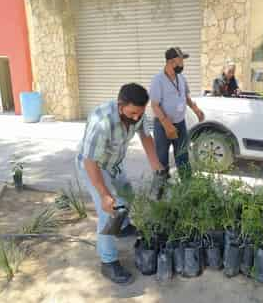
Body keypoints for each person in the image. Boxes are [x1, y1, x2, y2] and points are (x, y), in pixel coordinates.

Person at [76, 83, 163, 285]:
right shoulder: (102, 121)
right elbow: (90, 161)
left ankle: (122, 227)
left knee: (127, 195)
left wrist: (156, 165)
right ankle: (108, 262)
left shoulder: (138, 114)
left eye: (139, 114)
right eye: (132, 113)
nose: (135, 118)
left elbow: (145, 136)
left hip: (114, 164)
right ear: (120, 104)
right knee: (108, 210)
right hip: (93, 166)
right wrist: (105, 194)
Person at [150, 47, 204, 178]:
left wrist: (195, 109)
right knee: (161, 158)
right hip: (162, 126)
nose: (183, 64)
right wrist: (166, 124)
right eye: (181, 60)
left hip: (180, 123)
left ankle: (187, 187)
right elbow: (154, 105)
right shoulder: (158, 80)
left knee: (183, 156)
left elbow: (185, 96)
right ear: (171, 62)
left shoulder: (181, 77)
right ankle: (160, 188)